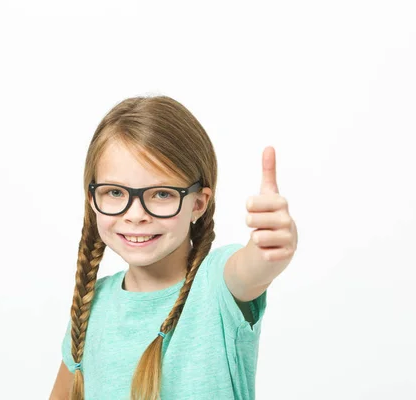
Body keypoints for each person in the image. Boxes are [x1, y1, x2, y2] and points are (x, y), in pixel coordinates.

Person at [49, 95, 298, 400]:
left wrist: (270, 245)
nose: (136, 214)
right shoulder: (92, 305)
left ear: (198, 204)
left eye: (162, 194)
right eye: (114, 191)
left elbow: (252, 268)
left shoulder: (216, 285)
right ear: (93, 200)